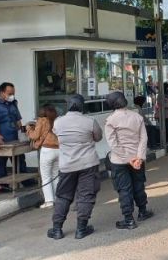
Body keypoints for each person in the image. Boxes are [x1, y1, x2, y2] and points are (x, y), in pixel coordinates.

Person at [47, 95, 103, 240]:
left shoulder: (58, 122)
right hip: (88, 164)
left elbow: (55, 133)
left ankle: (57, 229)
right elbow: (98, 137)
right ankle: (81, 229)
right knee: (86, 195)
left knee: (63, 196)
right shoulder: (90, 122)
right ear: (82, 106)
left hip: (67, 166)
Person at [105, 92, 154, 230]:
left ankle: (129, 219)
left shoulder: (110, 120)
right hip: (138, 159)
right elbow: (143, 139)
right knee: (139, 184)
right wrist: (138, 158)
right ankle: (143, 211)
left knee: (124, 189)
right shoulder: (137, 116)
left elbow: (113, 144)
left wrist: (128, 159)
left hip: (119, 161)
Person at [0, 82, 32, 184]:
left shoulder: (13, 104)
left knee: (20, 160)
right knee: (1, 163)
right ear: (2, 93)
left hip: (15, 137)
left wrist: (24, 133)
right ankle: (3, 185)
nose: (12, 96)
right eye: (9, 93)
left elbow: (18, 120)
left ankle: (25, 181)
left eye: (13, 93)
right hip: (2, 138)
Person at [25, 104, 59, 209]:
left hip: (47, 150)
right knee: (55, 175)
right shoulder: (57, 120)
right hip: (58, 149)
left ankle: (49, 201)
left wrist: (29, 130)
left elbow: (35, 136)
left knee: (46, 177)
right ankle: (58, 198)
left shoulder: (42, 120)